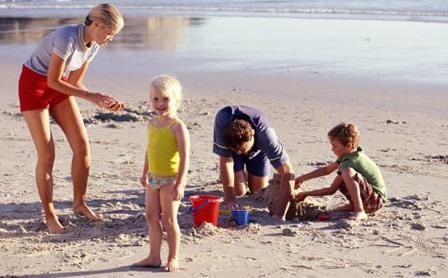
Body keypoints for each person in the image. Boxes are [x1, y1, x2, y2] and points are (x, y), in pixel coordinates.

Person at [18, 3, 125, 233]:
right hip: (34, 85)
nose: (110, 39)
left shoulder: (93, 45)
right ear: (96, 24)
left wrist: (101, 100)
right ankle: (49, 214)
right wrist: (91, 96)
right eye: (109, 33)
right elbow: (52, 81)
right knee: (47, 154)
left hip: (60, 86)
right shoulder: (66, 37)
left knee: (82, 147)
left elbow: (74, 83)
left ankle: (79, 203)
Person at [133, 75, 190, 272]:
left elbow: (184, 157)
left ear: (176, 101)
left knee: (169, 219)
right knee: (151, 216)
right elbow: (150, 149)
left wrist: (180, 184)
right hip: (153, 178)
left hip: (170, 180)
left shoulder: (177, 126)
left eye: (165, 99)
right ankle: (154, 256)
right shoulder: (152, 123)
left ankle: (173, 257)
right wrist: (144, 172)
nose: (160, 104)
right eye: (156, 99)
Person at [213, 105, 295, 220]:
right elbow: (226, 161)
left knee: (257, 191)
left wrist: (280, 214)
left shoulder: (266, 136)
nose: (240, 153)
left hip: (258, 151)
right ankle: (237, 174)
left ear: (253, 133)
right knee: (238, 191)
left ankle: (242, 174)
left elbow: (287, 172)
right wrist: (229, 199)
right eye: (237, 151)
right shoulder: (222, 121)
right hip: (231, 151)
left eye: (242, 150)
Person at [294, 123, 387, 221]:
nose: (332, 149)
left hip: (375, 201)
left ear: (348, 146)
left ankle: (359, 210)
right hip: (370, 199)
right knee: (332, 211)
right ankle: (355, 205)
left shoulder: (350, 162)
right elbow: (326, 170)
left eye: (335, 147)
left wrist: (305, 194)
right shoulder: (352, 154)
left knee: (347, 172)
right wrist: (302, 178)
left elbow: (331, 190)